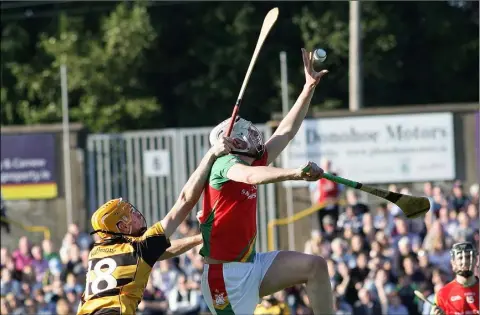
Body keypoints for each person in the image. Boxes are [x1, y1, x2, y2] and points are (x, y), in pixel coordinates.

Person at [198, 48, 333, 315]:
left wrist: (308, 88)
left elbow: (285, 131)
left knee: (315, 266)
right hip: (224, 277)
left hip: (252, 264)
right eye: (245, 132)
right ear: (233, 141)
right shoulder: (225, 164)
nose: (253, 134)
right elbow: (250, 178)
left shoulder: (253, 160)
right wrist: (295, 173)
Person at [76, 137, 234, 315]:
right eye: (130, 214)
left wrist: (200, 238)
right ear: (121, 227)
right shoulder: (139, 248)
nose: (137, 214)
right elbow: (185, 201)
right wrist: (211, 155)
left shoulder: (97, 252)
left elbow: (158, 252)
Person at [430, 242, 479, 315]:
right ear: (453, 263)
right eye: (460, 258)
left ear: (476, 260)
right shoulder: (442, 294)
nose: (464, 262)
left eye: (468, 257)